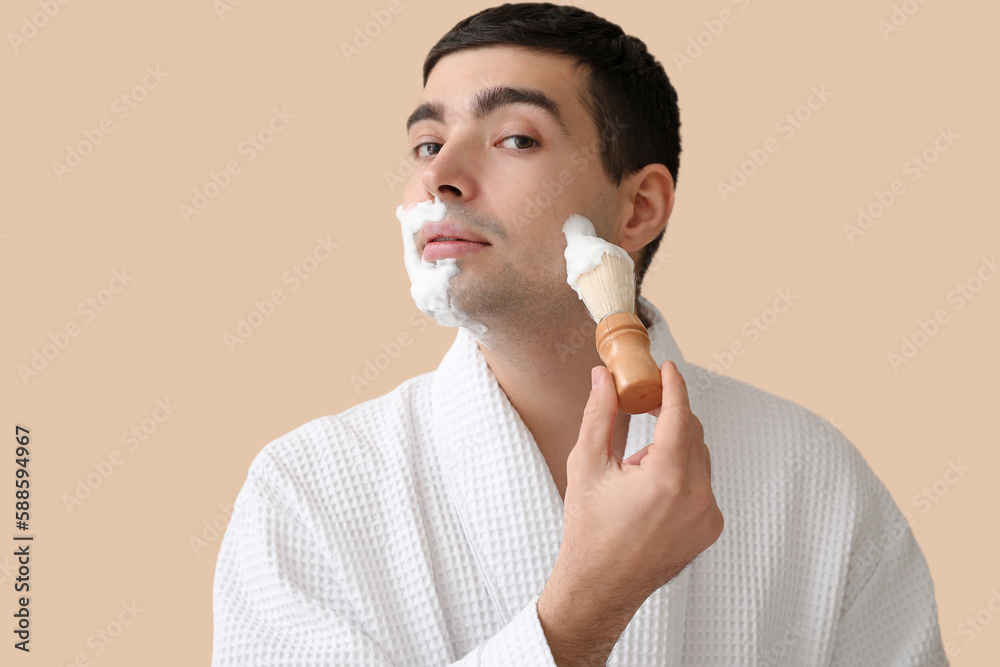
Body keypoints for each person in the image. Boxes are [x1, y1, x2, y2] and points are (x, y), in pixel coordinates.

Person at [211, 3, 947, 665]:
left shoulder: (811, 476)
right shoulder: (308, 492)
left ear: (638, 208)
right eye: (427, 145)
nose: (442, 177)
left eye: (515, 138)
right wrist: (583, 612)